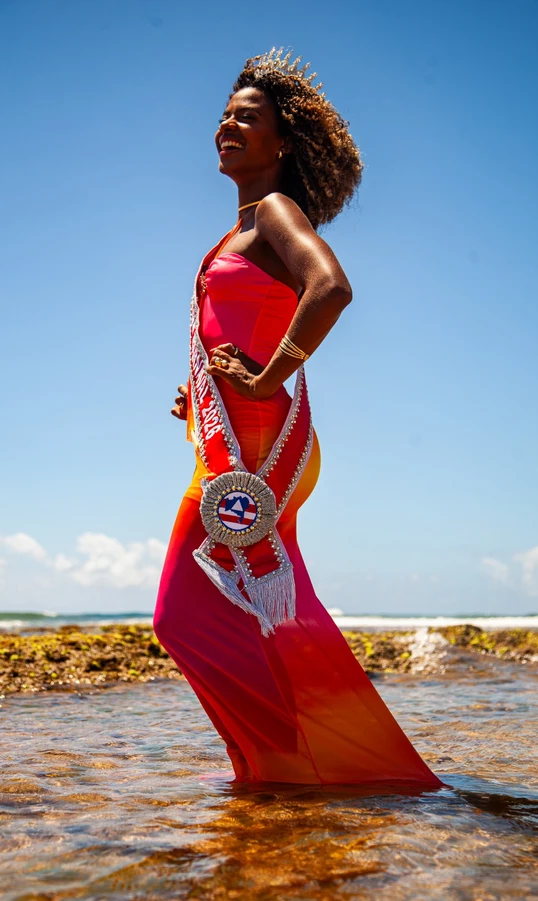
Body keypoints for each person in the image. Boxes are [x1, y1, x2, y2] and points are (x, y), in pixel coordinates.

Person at [154, 48, 442, 787]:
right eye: (224, 114)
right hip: (236, 432)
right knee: (270, 611)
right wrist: (202, 389)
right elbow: (236, 327)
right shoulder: (235, 232)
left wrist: (267, 372)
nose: (227, 124)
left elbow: (331, 287)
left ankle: (293, 761)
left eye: (247, 117)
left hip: (259, 443)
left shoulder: (277, 213)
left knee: (182, 614)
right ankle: (289, 764)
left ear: (281, 143)